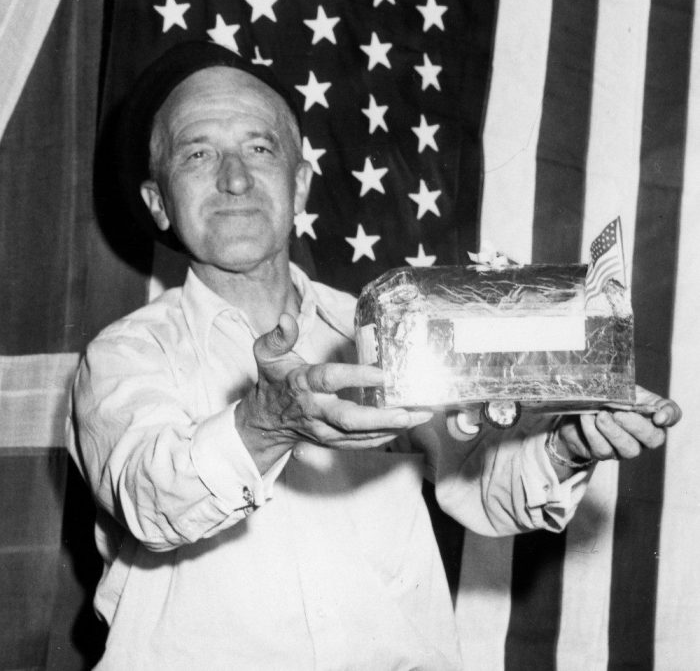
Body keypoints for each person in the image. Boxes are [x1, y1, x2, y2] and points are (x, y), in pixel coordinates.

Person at [68, 41, 681, 670]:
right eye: (198, 153)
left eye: (260, 148)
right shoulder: (123, 356)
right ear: (158, 202)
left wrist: (566, 447)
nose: (235, 178)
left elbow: (483, 487)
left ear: (299, 184)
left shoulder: (389, 326)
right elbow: (149, 500)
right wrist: (265, 424)